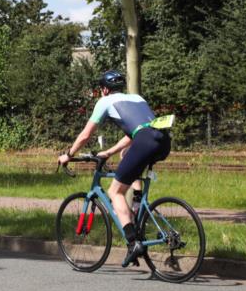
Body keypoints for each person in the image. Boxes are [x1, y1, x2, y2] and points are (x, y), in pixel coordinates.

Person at [57, 70, 171, 267]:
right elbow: (138, 131)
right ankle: (137, 210)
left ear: (104, 89)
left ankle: (134, 243)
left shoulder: (105, 102)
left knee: (114, 191)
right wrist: (109, 152)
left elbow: (85, 135)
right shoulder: (136, 98)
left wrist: (69, 154)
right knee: (127, 158)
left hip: (145, 140)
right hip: (162, 140)